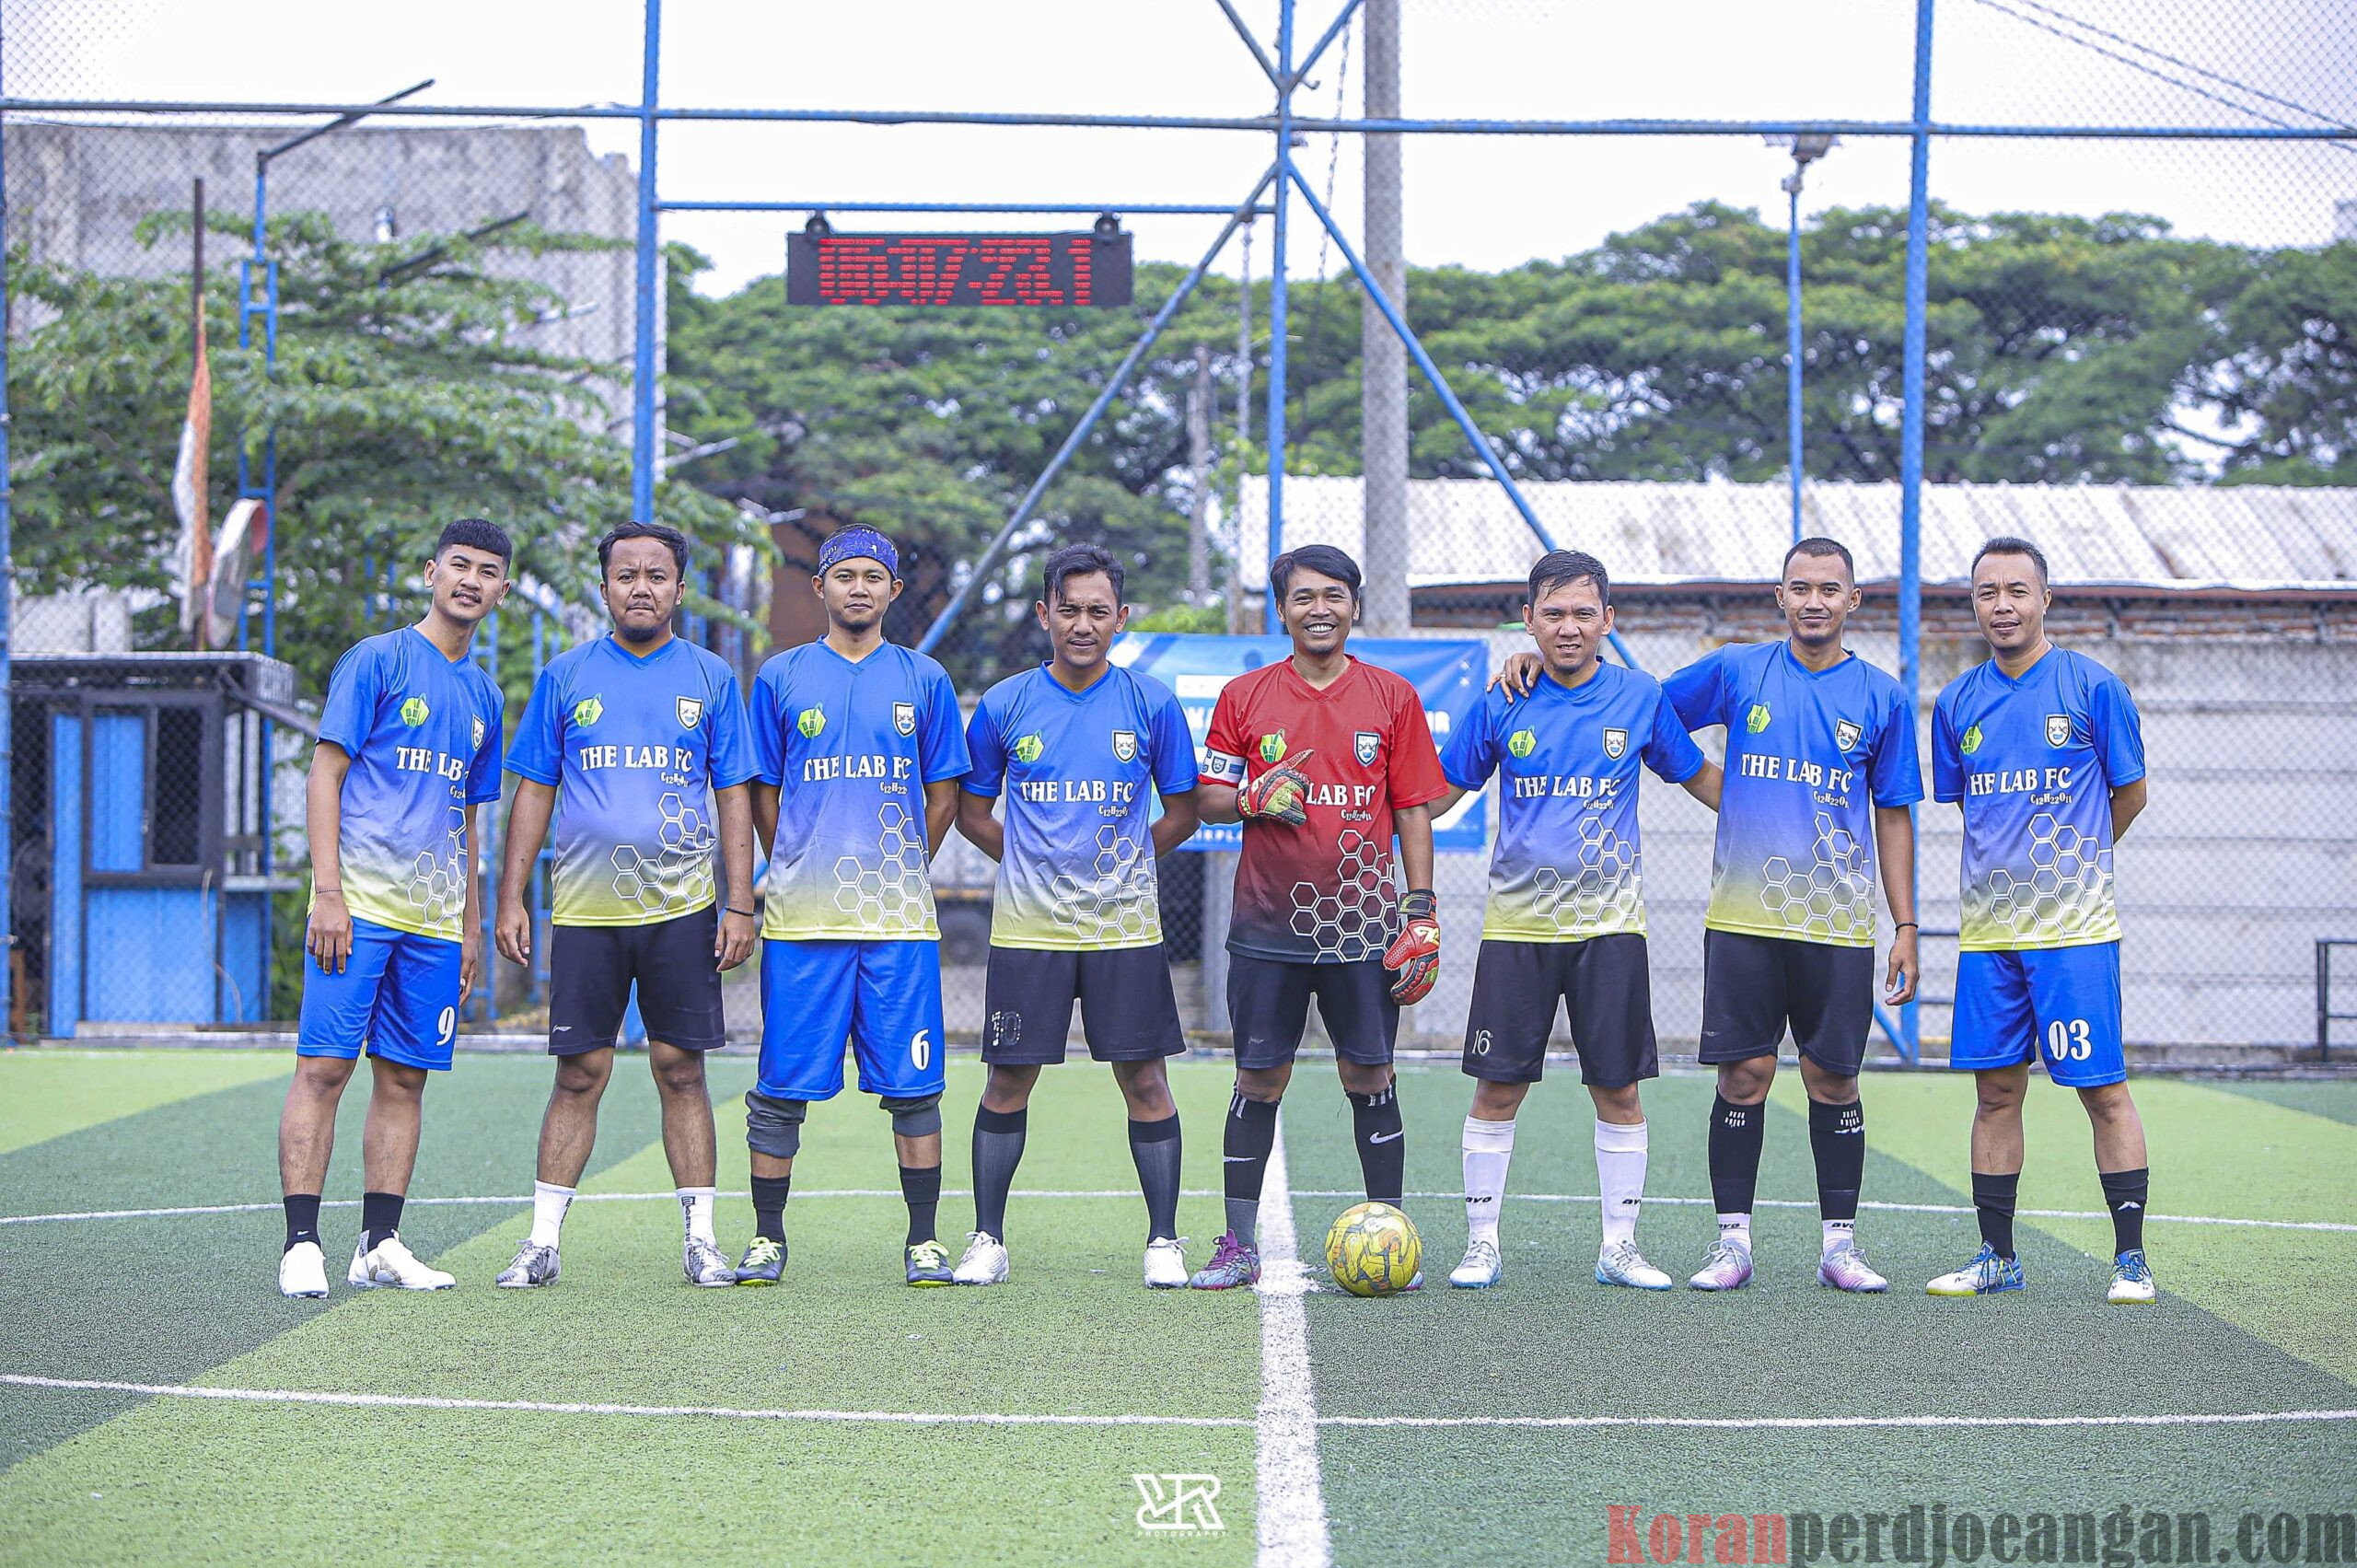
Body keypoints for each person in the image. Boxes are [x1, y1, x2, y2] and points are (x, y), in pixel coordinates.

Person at [1438, 551, 1719, 1292]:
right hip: (1516, 931)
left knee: (1619, 1089)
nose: (1569, 627)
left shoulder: (1640, 697)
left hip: (1610, 929)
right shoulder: (1502, 698)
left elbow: (1702, 780)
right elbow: (1436, 794)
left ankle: (1619, 1248)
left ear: (1608, 621)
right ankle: (1481, 1243)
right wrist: (1364, 805)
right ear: (1528, 619)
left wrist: (1790, 801)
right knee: (1498, 1088)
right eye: (1553, 613)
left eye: (1583, 613)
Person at [491, 521, 758, 1290]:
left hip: (681, 909)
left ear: (680, 588)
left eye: (656, 575)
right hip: (584, 910)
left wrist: (739, 903)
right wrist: (512, 898)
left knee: (681, 1069)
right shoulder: (565, 675)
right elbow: (534, 788)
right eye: (626, 574)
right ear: (604, 586)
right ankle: (541, 1243)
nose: (641, 587)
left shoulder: (709, 678)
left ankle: (702, 1241)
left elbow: (733, 791)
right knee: (581, 1071)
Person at [1660, 537, 1922, 1294]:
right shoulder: (1739, 669)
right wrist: (1709, 780)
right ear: (1780, 596)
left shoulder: (1882, 696)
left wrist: (1904, 925)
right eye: (1800, 587)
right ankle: (1731, 1243)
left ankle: (1839, 1243)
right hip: (1743, 916)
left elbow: (1895, 814)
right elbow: (1643, 709)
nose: (1814, 600)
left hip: (1837, 923)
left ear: (1852, 602)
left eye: (1829, 589)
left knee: (1831, 1078)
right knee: (1743, 1074)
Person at [1188, 543, 1449, 1292]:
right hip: (1268, 928)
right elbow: (1207, 795)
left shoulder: (1392, 697)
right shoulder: (1244, 697)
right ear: (1282, 610)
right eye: (1303, 597)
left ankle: (1391, 1234)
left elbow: (1412, 808)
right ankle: (1238, 1244)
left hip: (1364, 927)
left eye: (1333, 594)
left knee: (1369, 1072)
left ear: (1354, 604)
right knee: (1259, 1075)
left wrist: (1421, 912)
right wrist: (1249, 797)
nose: (1319, 608)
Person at [951, 544, 1202, 1288]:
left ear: (1121, 618)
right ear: (1044, 615)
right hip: (1029, 930)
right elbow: (970, 812)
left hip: (1124, 928)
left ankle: (1163, 1242)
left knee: (1146, 1080)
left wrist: (1126, 860)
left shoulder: (1150, 702)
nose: (1083, 624)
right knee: (1006, 1082)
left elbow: (1183, 810)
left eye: (1099, 611)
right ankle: (988, 1238)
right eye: (1069, 610)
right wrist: (1031, 861)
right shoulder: (1004, 703)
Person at [277, 518, 512, 1298]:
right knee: (325, 1067)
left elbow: (469, 815)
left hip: (435, 921)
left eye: (487, 571)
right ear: (430, 572)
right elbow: (325, 772)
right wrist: (330, 892)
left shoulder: (484, 693)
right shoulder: (377, 660)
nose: (470, 580)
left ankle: (380, 1242)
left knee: (406, 1079)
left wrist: (471, 923)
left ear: (502, 590)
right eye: (459, 565)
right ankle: (301, 1242)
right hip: (361, 905)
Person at [737, 527, 970, 1287]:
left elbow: (944, 794)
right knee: (780, 1087)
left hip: (899, 921)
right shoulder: (780, 676)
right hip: (804, 921)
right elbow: (762, 791)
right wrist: (795, 857)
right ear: (822, 588)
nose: (859, 589)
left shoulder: (924, 679)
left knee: (915, 1087)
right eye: (845, 577)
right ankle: (768, 1238)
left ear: (894, 591)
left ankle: (925, 1241)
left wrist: (904, 860)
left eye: (874, 577)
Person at [1927, 537, 2154, 1304]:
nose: (2002, 605)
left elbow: (2131, 794)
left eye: (2016, 591)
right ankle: (1998, 1257)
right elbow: (1970, 808)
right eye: (1987, 592)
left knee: (2103, 1090)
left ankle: (2130, 1260)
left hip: (2075, 935)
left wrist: (2078, 864)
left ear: (2045, 599)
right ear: (1975, 603)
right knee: (1995, 1094)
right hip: (1990, 938)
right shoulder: (1957, 703)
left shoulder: (2093, 688)